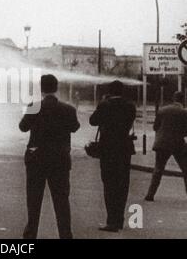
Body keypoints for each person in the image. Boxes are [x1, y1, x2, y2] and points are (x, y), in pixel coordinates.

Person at [19, 74, 80, 239]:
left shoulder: (34, 106)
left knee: (34, 200)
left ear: (41, 88)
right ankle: (65, 234)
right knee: (61, 201)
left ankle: (31, 235)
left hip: (36, 159)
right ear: (56, 88)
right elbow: (75, 127)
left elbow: (22, 127)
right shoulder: (68, 109)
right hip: (59, 159)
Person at [89, 80, 136, 232]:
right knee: (122, 185)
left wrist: (102, 102)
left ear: (110, 91)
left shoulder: (105, 104)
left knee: (109, 185)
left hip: (108, 149)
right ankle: (119, 220)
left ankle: (111, 222)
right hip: (124, 149)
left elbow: (93, 121)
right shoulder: (130, 106)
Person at [145, 91, 187, 201]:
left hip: (162, 143)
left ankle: (150, 194)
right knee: (185, 168)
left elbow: (155, 127)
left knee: (158, 169)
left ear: (173, 98)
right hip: (178, 144)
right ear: (183, 100)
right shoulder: (184, 112)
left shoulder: (162, 110)